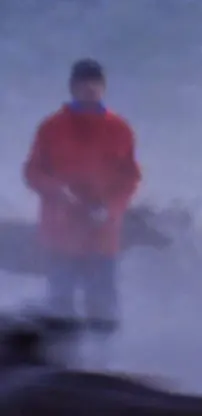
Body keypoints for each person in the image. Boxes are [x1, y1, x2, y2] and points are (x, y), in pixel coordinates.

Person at [22, 59, 143, 330]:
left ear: (103, 87)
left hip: (102, 234)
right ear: (72, 88)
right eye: (83, 84)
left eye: (95, 83)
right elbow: (32, 172)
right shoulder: (51, 127)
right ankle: (60, 363)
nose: (90, 89)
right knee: (60, 305)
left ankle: (105, 363)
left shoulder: (120, 129)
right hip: (60, 232)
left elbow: (131, 178)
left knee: (103, 307)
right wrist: (57, 190)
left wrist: (111, 207)